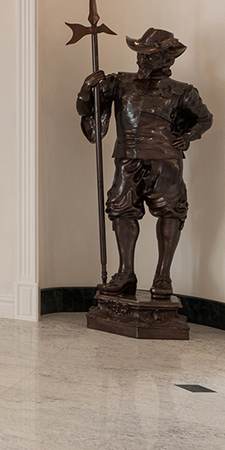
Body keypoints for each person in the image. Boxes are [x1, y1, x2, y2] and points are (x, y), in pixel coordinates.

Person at [77, 28, 213, 301]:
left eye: (149, 55)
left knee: (170, 212)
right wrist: (86, 89)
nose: (141, 60)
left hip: (166, 160)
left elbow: (204, 119)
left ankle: (163, 275)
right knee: (121, 210)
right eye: (140, 55)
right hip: (128, 157)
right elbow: (88, 108)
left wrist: (185, 138)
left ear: (166, 58)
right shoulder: (121, 83)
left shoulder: (182, 91)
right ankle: (126, 273)